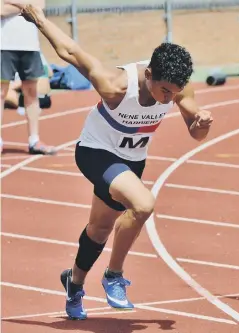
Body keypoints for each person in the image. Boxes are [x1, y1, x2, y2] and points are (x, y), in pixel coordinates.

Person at [11, 2, 213, 320]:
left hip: (132, 160)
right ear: (148, 75)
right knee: (144, 204)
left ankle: (73, 283)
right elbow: (70, 52)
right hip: (96, 153)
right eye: (163, 91)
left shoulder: (178, 89)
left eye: (174, 93)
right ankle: (114, 276)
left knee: (100, 229)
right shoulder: (116, 85)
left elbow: (196, 132)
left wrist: (201, 123)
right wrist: (37, 17)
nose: (169, 98)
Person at [0, 0, 56, 155]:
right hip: (4, 45)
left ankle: (34, 140)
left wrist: (12, 3)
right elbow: (1, 11)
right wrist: (26, 6)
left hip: (30, 45)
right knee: (1, 93)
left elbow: (40, 6)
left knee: (31, 92)